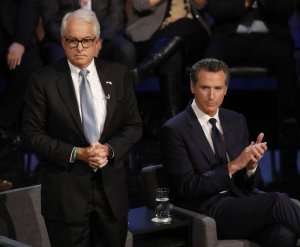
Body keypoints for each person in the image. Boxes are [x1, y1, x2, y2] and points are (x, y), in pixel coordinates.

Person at [21, 8, 142, 247]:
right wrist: (77, 153)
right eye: (73, 40)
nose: (80, 47)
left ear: (97, 42)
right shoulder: (43, 81)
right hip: (66, 198)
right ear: (63, 42)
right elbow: (31, 136)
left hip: (111, 196)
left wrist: (108, 149)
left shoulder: (118, 76)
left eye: (86, 40)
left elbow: (134, 126)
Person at [160, 58, 300, 247]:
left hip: (241, 202)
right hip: (209, 209)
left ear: (226, 89)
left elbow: (250, 183)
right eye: (205, 88)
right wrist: (234, 165)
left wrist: (251, 167)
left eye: (218, 88)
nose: (212, 96)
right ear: (192, 87)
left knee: (283, 235)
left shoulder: (235, 120)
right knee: (277, 200)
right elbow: (187, 187)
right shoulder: (175, 129)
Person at [203, 0, 299, 175]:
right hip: (230, 37)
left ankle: (289, 127)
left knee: (286, 59)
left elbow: (285, 9)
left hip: (270, 37)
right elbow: (216, 9)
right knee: (211, 61)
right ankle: (207, 123)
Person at [126, 0, 210, 120]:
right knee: (172, 57)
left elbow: (201, 4)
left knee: (186, 23)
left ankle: (145, 68)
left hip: (191, 36)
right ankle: (174, 123)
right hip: (157, 35)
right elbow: (141, 5)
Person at [41, 0, 137, 69]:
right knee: (58, 59)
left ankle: (124, 96)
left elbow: (115, 16)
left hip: (102, 38)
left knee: (125, 50)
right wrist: (75, 41)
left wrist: (97, 41)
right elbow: (51, 21)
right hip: (66, 39)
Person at [0, 0, 44, 145]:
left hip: (13, 39)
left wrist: (20, 41)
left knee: (32, 69)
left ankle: (3, 123)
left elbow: (29, 8)